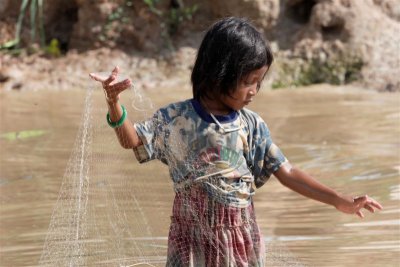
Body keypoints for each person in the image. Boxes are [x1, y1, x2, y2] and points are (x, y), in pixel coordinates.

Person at [90, 17, 382, 267]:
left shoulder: (251, 125)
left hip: (239, 234)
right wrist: (113, 102)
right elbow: (132, 141)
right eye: (249, 81)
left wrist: (338, 200)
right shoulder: (176, 119)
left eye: (260, 81)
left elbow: (287, 172)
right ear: (219, 74)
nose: (254, 91)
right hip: (190, 236)